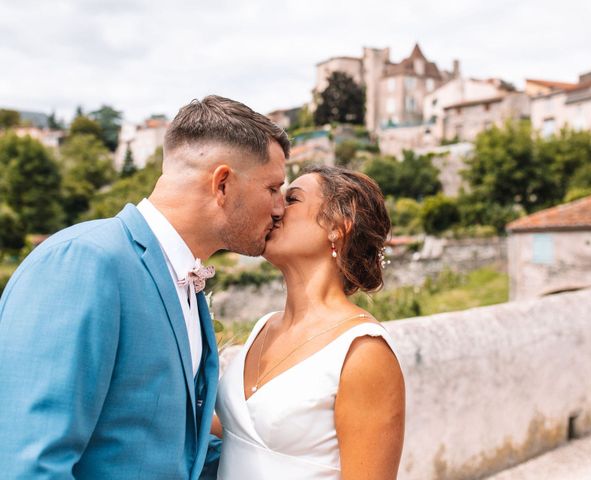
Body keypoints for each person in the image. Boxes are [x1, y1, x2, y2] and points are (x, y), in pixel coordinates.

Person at [0, 95, 290, 479]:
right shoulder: (84, 261)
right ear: (223, 184)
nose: (280, 208)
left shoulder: (185, 282)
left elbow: (174, 451)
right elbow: (30, 464)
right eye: (272, 188)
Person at [213, 165, 406, 479]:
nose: (276, 209)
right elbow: (248, 435)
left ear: (338, 227)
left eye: (292, 200)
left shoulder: (363, 351)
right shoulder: (264, 327)